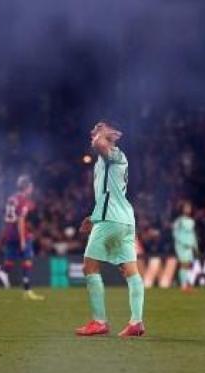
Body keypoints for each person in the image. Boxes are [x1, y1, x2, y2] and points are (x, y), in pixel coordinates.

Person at [75, 121, 145, 337]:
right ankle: (136, 322)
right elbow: (107, 196)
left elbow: (99, 144)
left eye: (96, 130)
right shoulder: (104, 161)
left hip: (111, 221)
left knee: (89, 267)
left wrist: (104, 133)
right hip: (123, 221)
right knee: (131, 272)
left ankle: (99, 321)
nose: (92, 134)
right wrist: (93, 217)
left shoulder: (114, 154)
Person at [0, 175, 45, 301]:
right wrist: (22, 240)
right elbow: (21, 220)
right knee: (27, 261)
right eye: (31, 187)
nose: (32, 190)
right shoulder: (24, 201)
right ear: (27, 188)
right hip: (19, 234)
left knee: (8, 264)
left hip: (9, 234)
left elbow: (8, 217)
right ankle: (27, 291)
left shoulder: (11, 199)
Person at [172, 201, 198, 292]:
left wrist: (195, 245)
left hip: (189, 246)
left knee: (187, 265)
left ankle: (186, 285)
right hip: (182, 246)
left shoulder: (192, 221)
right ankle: (183, 286)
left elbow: (193, 234)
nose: (188, 209)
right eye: (186, 207)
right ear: (182, 209)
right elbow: (175, 233)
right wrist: (182, 242)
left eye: (189, 208)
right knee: (184, 264)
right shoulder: (179, 221)